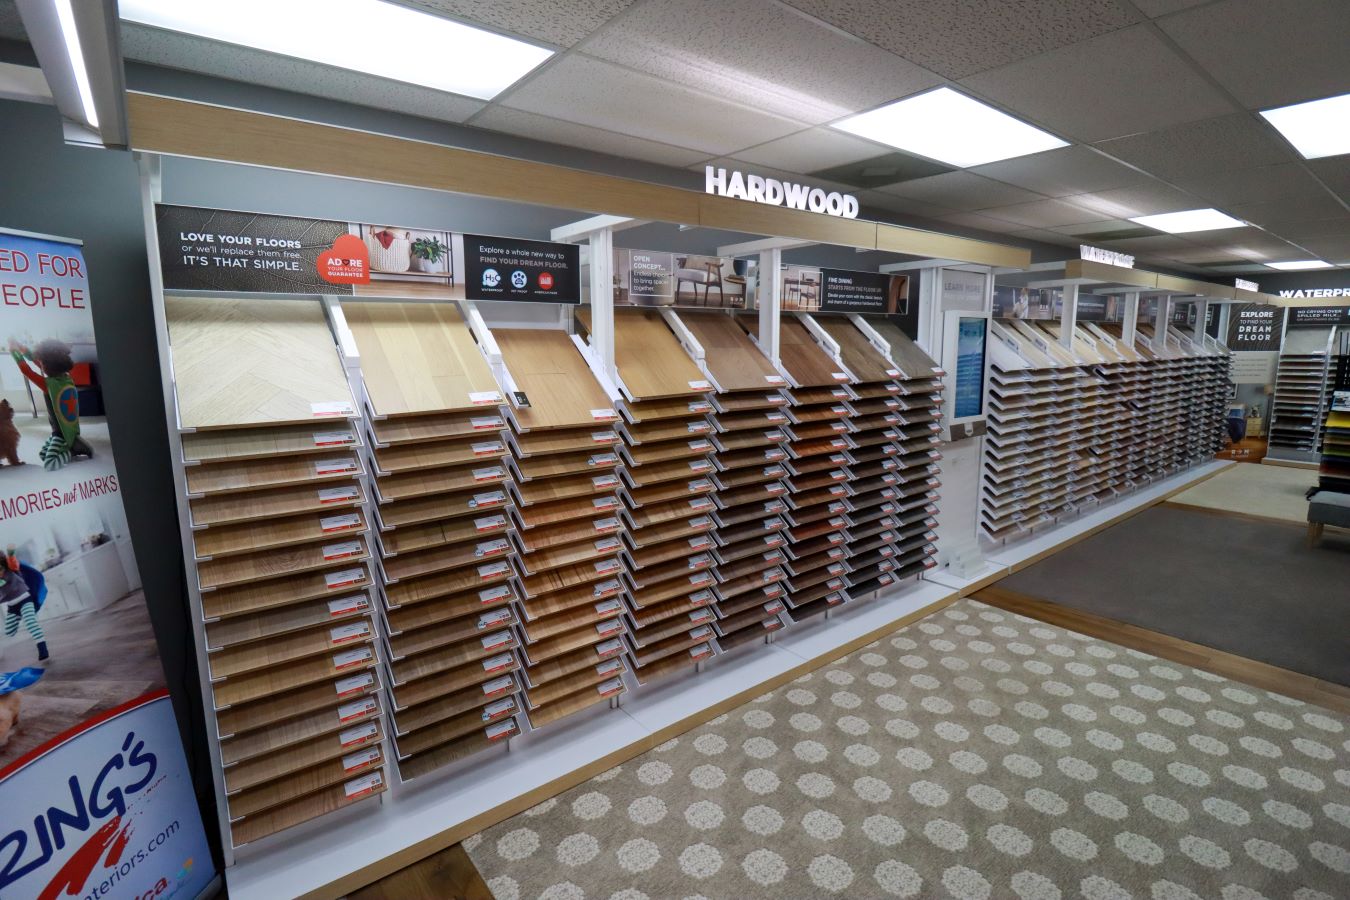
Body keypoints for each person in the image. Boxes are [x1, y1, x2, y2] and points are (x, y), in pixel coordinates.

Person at [9, 338, 93, 470]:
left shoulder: (48, 385)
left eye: (42, 363)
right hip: (62, 430)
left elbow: (27, 371)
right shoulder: (66, 377)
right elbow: (37, 361)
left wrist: (14, 352)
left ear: (47, 366)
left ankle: (71, 451)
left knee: (50, 464)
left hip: (60, 433)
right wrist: (21, 348)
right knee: (43, 454)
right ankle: (74, 444)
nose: (39, 364)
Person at [1, 546, 47, 662]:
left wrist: (11, 554)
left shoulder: (11, 569)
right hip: (12, 607)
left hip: (25, 599)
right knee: (9, 632)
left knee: (31, 622)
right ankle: (21, 615)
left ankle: (42, 648)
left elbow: (13, 563)